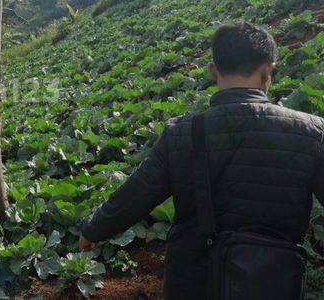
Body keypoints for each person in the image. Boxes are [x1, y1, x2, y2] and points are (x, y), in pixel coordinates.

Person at [78, 21, 324, 299]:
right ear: (268, 71)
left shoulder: (182, 133)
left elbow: (135, 194)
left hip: (194, 281)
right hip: (271, 281)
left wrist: (92, 231)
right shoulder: (312, 132)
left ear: (212, 70)